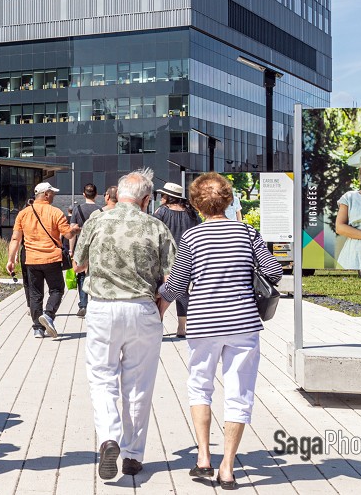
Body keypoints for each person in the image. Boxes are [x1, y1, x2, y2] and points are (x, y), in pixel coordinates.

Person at [159, 172, 283, 490]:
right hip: (243, 324)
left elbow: (175, 285)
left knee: (200, 387)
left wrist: (158, 309)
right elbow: (273, 271)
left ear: (198, 205)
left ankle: (203, 457)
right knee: (239, 394)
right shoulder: (247, 232)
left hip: (203, 324)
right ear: (228, 200)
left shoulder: (192, 238)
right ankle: (227, 467)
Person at [73, 169, 176, 480]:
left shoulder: (96, 221)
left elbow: (78, 263)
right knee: (138, 385)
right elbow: (172, 278)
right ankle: (132, 455)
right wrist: (161, 307)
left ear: (118, 195)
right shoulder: (156, 226)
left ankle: (108, 437)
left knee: (102, 378)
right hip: (143, 310)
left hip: (103, 309)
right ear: (146, 200)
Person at [6, 181, 76, 338]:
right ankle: (49, 315)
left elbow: (15, 239)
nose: (54, 196)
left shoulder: (23, 214)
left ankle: (38, 328)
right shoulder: (56, 212)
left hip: (31, 260)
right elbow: (68, 235)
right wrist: (75, 230)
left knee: (35, 293)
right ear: (46, 194)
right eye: (53, 193)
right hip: (51, 259)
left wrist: (11, 259)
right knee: (57, 289)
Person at [152, 181, 200, 337]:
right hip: (187, 258)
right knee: (183, 293)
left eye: (162, 195)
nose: (160, 198)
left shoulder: (161, 212)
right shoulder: (191, 213)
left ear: (168, 196)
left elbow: (153, 233)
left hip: (164, 259)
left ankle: (158, 321)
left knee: (160, 291)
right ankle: (181, 328)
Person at [69, 184, 103, 317]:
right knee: (96, 275)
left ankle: (83, 305)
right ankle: (96, 302)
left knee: (82, 275)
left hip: (81, 246)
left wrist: (71, 250)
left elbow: (72, 231)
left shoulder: (77, 210)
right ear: (96, 194)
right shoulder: (101, 211)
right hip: (96, 247)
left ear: (83, 194)